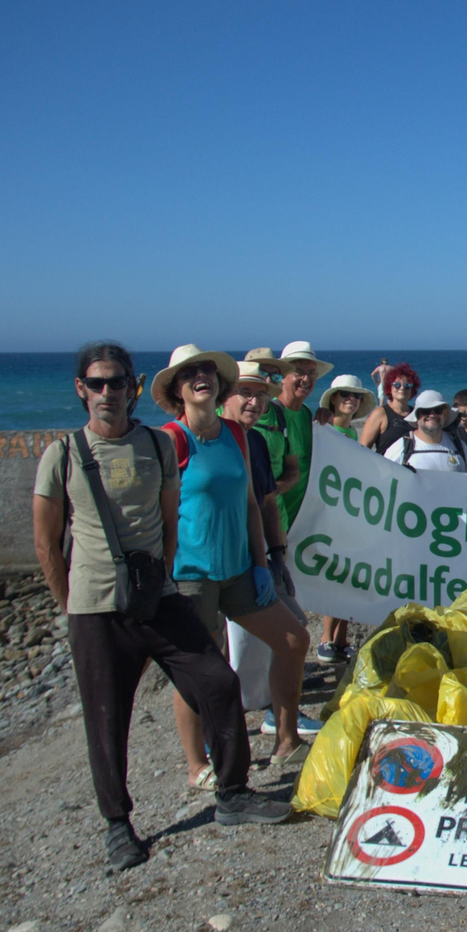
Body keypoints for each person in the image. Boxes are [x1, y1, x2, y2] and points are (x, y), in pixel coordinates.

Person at [33, 342, 289, 871]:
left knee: (218, 681)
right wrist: (70, 607)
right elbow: (46, 542)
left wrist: (168, 575)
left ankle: (233, 793)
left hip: (160, 596)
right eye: (98, 383)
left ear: (133, 384)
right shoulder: (63, 454)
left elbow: (170, 520)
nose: (109, 392)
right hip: (94, 609)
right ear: (81, 389)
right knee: (108, 720)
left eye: (117, 382)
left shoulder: (154, 444)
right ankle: (117, 825)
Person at [151, 346, 315, 776]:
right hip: (191, 577)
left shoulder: (238, 435)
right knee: (201, 669)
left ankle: (286, 741)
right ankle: (197, 765)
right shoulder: (171, 439)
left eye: (208, 370)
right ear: (177, 389)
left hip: (240, 570)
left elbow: (249, 504)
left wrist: (262, 564)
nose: (201, 376)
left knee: (294, 640)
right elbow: (157, 512)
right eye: (191, 373)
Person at [219, 361, 316, 733]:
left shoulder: (256, 441)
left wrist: (275, 556)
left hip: (257, 553)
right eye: (246, 393)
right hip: (216, 558)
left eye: (261, 395)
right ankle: (218, 734)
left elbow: (267, 501)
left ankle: (277, 715)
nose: (255, 402)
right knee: (222, 649)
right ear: (225, 395)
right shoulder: (208, 439)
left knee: (291, 630)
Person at [312, 374, 374, 662]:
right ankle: (325, 638)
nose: (351, 399)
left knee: (350, 573)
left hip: (350, 511)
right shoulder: (322, 428)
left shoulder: (351, 434)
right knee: (335, 573)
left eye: (356, 396)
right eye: (345, 394)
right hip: (329, 512)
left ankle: (341, 639)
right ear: (334, 399)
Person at [264, 341, 332, 533]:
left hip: (301, 524)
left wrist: (328, 422)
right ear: (282, 377)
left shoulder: (307, 415)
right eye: (298, 371)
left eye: (311, 373)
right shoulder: (267, 414)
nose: (306, 379)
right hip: (273, 522)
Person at [243, 349, 300, 512]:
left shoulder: (283, 416)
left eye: (275, 376)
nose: (267, 379)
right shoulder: (220, 412)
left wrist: (271, 491)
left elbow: (293, 471)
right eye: (261, 372)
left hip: (273, 511)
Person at [386, 390, 467, 472]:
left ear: (445, 414)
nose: (432, 415)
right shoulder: (401, 449)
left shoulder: (460, 446)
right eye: (425, 411)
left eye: (437, 410)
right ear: (417, 415)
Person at [359, 362, 420, 455]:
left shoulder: (416, 414)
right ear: (389, 388)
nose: (402, 388)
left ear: (412, 390)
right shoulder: (380, 413)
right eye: (397, 385)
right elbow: (363, 449)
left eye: (407, 386)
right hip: (384, 466)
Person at [317, 374, 375, 441]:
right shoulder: (325, 429)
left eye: (357, 395)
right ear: (333, 399)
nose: (352, 398)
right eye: (345, 393)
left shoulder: (353, 431)